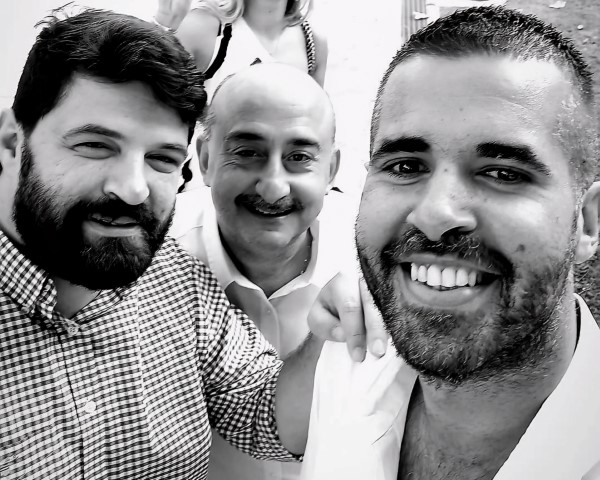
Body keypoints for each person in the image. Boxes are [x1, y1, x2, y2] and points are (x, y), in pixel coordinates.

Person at [0, 9, 338, 480]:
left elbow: (264, 416)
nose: (133, 188)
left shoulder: (178, 278)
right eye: (95, 145)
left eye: (161, 158)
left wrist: (331, 329)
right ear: (11, 142)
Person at [302, 6, 600, 480]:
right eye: (405, 166)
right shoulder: (345, 366)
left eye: (503, 173)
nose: (436, 214)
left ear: (587, 222)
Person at [169, 62, 351, 480]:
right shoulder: (149, 262)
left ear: (331, 170)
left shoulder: (372, 261)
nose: (273, 186)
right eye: (248, 153)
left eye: (299, 158)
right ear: (205, 159)